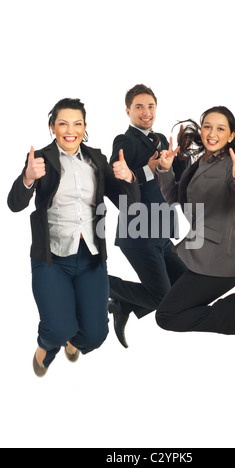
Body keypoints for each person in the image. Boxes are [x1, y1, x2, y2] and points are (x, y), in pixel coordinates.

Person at [7, 98, 140, 376]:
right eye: (63, 123)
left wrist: (128, 179)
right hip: (51, 258)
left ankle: (70, 339)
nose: (71, 130)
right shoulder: (41, 159)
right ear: (53, 127)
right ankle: (49, 344)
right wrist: (28, 178)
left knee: (94, 337)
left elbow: (128, 203)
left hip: (91, 258)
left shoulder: (97, 160)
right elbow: (15, 204)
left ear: (84, 127)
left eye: (77, 123)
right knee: (56, 328)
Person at [155, 106, 235, 347]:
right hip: (198, 252)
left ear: (230, 136)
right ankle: (123, 301)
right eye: (207, 126)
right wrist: (165, 170)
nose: (212, 133)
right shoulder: (201, 162)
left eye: (220, 129)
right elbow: (175, 198)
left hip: (217, 260)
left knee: (166, 316)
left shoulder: (230, 166)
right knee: (162, 287)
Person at [108, 84, 188, 348]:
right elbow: (120, 184)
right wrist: (146, 170)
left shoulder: (161, 139)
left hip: (162, 232)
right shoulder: (125, 141)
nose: (146, 112)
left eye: (150, 106)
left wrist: (182, 157)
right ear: (128, 110)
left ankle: (125, 304)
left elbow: (173, 177)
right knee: (163, 298)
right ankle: (97, 283)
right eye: (139, 107)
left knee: (186, 287)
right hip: (138, 232)